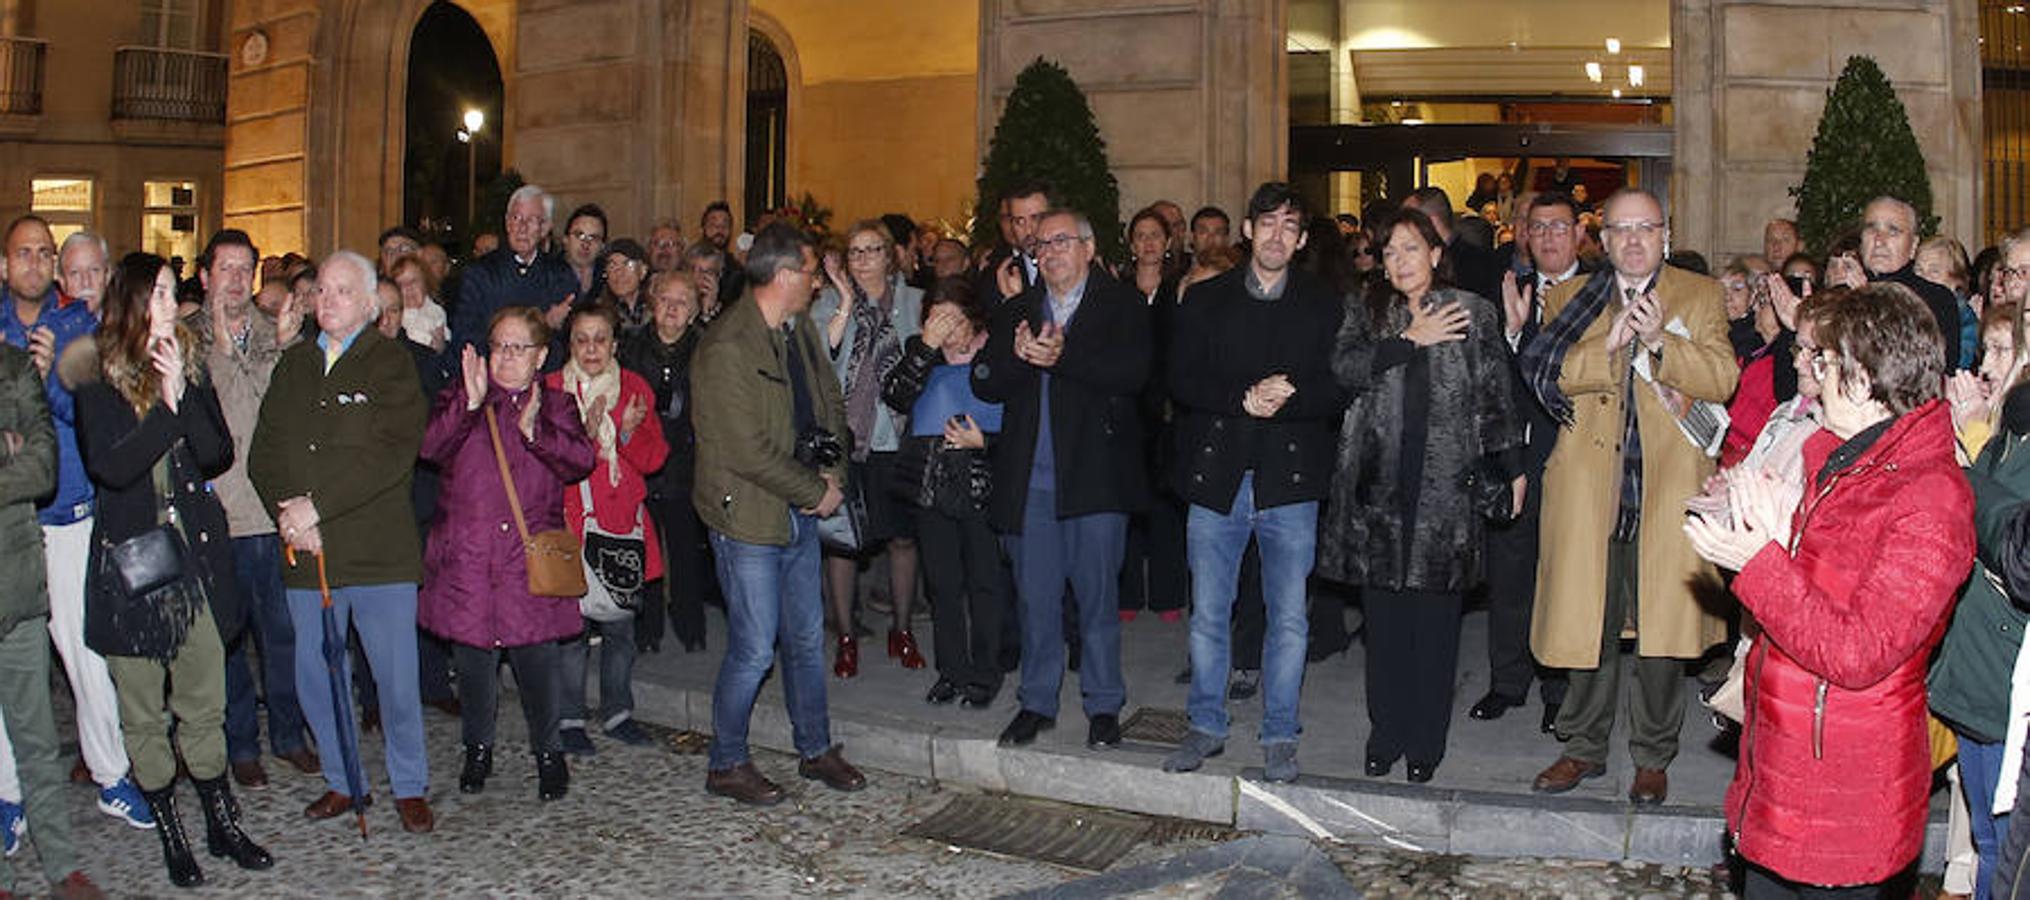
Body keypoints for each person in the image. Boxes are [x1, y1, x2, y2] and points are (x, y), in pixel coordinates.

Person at [1685, 282, 1970, 897]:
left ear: (1865, 378)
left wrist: (1756, 561)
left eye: (1825, 361)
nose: (1810, 374)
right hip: (1785, 767)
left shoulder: (1931, 499)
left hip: (1846, 786)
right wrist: (1771, 531)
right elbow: (1816, 589)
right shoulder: (1844, 460)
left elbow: (1859, 652)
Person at [1519, 188, 1737, 804]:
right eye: (1621, 230)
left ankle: (1653, 755)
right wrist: (1608, 344)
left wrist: (1664, 344)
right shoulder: (1567, 298)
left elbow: (1724, 377)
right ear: (1604, 239)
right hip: (1592, 491)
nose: (1634, 240)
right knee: (1588, 623)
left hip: (1666, 491)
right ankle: (1581, 747)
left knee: (1663, 637)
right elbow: (1546, 377)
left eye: (1646, 228)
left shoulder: (1699, 294)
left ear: (1665, 235)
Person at [72, 252, 270, 887]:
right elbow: (114, 467)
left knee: (204, 701)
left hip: (198, 567)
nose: (169, 303)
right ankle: (172, 833)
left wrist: (184, 394)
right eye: (157, 293)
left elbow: (216, 455)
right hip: (133, 573)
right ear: (132, 303)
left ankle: (220, 822)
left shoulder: (187, 364)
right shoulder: (96, 379)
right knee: (144, 713)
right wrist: (163, 407)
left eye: (170, 291)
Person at [1320, 207, 1517, 783]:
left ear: (1435, 253)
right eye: (1389, 252)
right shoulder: (1366, 309)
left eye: (1410, 249)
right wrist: (1406, 340)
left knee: (1434, 631)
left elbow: (1494, 397)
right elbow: (1342, 369)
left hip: (1445, 494)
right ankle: (1386, 734)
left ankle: (1426, 742)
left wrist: (1511, 468)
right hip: (1376, 491)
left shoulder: (1471, 312)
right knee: (1383, 631)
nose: (1399, 261)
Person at [1161, 183, 1346, 782]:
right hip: (1218, 475)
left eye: (1290, 226)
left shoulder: (1324, 304)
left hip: (1289, 481)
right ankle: (1206, 724)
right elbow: (1180, 380)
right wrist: (1242, 398)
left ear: (1302, 239)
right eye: (1267, 223)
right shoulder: (1206, 299)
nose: (1276, 235)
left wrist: (1290, 397)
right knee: (1210, 613)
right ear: (1247, 230)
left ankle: (1279, 733)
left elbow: (1341, 385)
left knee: (1289, 618)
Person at [247, 250, 433, 833]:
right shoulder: (295, 364)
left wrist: (318, 505)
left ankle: (409, 784)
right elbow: (266, 451)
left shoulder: (391, 364)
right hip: (309, 548)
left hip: (377, 551)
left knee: (396, 680)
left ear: (370, 303)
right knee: (318, 674)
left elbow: (390, 454)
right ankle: (342, 779)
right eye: (321, 290)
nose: (327, 301)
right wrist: (292, 514)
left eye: (342, 291)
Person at [693, 222, 865, 805]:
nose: (818, 283)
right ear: (786, 275)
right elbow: (742, 448)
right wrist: (811, 491)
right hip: (749, 518)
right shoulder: (726, 347)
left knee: (804, 636)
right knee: (753, 646)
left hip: (799, 509)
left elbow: (830, 403)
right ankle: (726, 762)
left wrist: (834, 470)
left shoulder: (795, 332)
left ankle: (815, 748)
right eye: (813, 272)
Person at [973, 208, 1151, 751]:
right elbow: (986, 385)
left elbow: (1134, 374)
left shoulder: (1121, 305)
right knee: (1036, 600)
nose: (1048, 252)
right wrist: (1021, 359)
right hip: (1030, 482)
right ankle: (1036, 702)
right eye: (1041, 246)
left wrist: (1062, 357)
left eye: (1060, 242)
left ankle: (1102, 705)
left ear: (1089, 249)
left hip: (1096, 479)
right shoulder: (1019, 310)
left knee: (1097, 600)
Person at [0, 217, 151, 828]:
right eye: (24, 253)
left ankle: (111, 776)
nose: (34, 263)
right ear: (7, 264)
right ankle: (9, 794)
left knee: (86, 653)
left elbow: (91, 419)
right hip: (8, 519)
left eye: (44, 253)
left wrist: (46, 383)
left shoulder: (78, 329)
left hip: (69, 515)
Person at [417, 306, 594, 802]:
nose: (507, 357)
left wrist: (537, 430)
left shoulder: (557, 405)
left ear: (540, 356)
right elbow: (430, 447)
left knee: (536, 664)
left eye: (519, 348)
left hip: (525, 562)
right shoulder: (463, 393)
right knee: (473, 665)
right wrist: (469, 405)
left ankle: (548, 753)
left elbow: (580, 460)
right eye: (499, 346)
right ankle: (478, 749)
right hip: (470, 561)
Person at [198, 230, 319, 791]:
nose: (235, 279)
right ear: (205, 276)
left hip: (271, 512)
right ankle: (240, 742)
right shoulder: (186, 339)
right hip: (217, 514)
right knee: (226, 638)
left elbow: (292, 406)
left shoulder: (279, 334)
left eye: (244, 268)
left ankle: (289, 734)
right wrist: (222, 354)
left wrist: (289, 347)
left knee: (282, 633)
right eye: (225, 268)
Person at [1476, 191, 1587, 732]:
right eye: (1537, 227)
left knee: (1562, 575)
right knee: (1510, 571)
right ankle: (1507, 680)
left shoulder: (1601, 295)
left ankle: (1557, 688)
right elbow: (1492, 381)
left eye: (1558, 227)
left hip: (1573, 458)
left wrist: (1526, 338)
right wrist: (1513, 332)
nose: (1547, 237)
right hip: (1513, 454)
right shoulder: (1503, 292)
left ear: (1580, 235)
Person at [0, 329, 102, 899]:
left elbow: (44, 468)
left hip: (14, 587)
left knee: (36, 737)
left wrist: (21, 449)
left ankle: (62, 864)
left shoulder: (16, 369)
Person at [1933, 298, 2026, 900]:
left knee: (2000, 841)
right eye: (1984, 349)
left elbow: (2012, 547)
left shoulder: (2011, 434)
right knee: (1989, 832)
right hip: (1974, 666)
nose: (1985, 366)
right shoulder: (2007, 429)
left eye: (2000, 351)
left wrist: (1973, 436)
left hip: (1999, 670)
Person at [881, 277, 1008, 708]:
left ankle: (986, 672)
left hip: (981, 477)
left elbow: (1022, 423)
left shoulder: (997, 352)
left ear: (973, 317)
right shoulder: (923, 354)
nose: (947, 327)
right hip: (931, 478)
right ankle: (951, 670)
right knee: (943, 582)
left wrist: (985, 443)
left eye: (954, 318)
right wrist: (924, 347)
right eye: (937, 318)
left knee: (985, 581)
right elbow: (895, 396)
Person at [547, 304, 666, 753]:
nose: (592, 348)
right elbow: (543, 460)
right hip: (571, 524)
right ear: (570, 344)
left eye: (600, 339)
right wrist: (587, 433)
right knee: (572, 634)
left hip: (621, 528)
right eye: (582, 339)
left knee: (620, 631)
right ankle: (570, 717)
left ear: (615, 344)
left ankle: (619, 713)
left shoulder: (633, 388)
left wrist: (629, 434)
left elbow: (656, 459)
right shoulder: (554, 389)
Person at [812, 221, 925, 675]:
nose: (862, 259)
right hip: (847, 438)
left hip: (897, 435)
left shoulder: (914, 302)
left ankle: (902, 629)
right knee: (842, 542)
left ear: (889, 255)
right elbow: (820, 355)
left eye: (871, 250)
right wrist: (842, 304)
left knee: (902, 537)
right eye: (854, 251)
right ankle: (845, 635)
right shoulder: (826, 302)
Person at [620, 271, 712, 653]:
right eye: (665, 300)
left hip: (689, 464)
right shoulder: (630, 347)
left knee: (685, 549)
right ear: (651, 305)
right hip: (640, 461)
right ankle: (647, 629)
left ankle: (691, 627)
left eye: (682, 302)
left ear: (694, 312)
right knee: (643, 550)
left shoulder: (707, 349)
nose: (672, 308)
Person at [450, 185, 579, 358]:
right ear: (507, 223)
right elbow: (465, 337)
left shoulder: (560, 274)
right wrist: (543, 324)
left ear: (545, 227)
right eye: (516, 218)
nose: (522, 227)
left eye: (531, 220)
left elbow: (569, 341)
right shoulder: (480, 273)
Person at [390, 254, 449, 351]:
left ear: (426, 283)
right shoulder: (396, 320)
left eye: (413, 281)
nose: (408, 288)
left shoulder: (438, 311)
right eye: (401, 284)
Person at [597, 238, 652, 335]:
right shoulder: (597, 312)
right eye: (612, 265)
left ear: (643, 271)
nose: (619, 272)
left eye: (627, 264)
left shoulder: (658, 306)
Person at [561, 203, 608, 302]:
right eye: (579, 235)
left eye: (593, 238)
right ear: (565, 239)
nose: (585, 244)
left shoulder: (610, 276)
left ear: (602, 245)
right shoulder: (545, 275)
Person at [56, 231, 109, 317]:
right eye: (75, 273)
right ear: (62, 281)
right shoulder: (46, 328)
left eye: (94, 270)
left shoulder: (127, 327)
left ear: (107, 276)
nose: (86, 283)